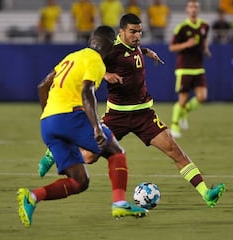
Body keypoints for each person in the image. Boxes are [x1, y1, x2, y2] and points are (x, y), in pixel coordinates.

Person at [39, 13, 225, 210]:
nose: (137, 36)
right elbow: (93, 63)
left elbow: (132, 51)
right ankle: (54, 151)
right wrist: (108, 74)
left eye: (140, 32)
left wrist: (145, 51)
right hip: (116, 116)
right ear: (121, 32)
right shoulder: (109, 51)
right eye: (133, 32)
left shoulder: (134, 45)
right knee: (89, 157)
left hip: (144, 115)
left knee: (174, 150)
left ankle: (207, 193)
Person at [16, 25, 148, 228]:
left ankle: (32, 197)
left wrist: (48, 114)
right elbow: (87, 92)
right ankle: (120, 203)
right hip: (70, 115)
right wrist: (96, 127)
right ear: (110, 45)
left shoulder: (72, 56)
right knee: (115, 152)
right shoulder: (96, 61)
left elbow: (43, 85)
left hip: (48, 123)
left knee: (79, 182)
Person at [168, 0, 211, 138]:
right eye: (191, 7)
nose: (193, 9)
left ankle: (184, 112)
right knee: (182, 99)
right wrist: (187, 44)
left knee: (202, 97)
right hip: (184, 68)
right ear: (187, 10)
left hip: (198, 68)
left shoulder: (204, 26)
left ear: (198, 10)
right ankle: (174, 125)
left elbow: (204, 40)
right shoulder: (181, 28)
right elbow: (172, 47)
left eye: (196, 7)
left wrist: (206, 49)